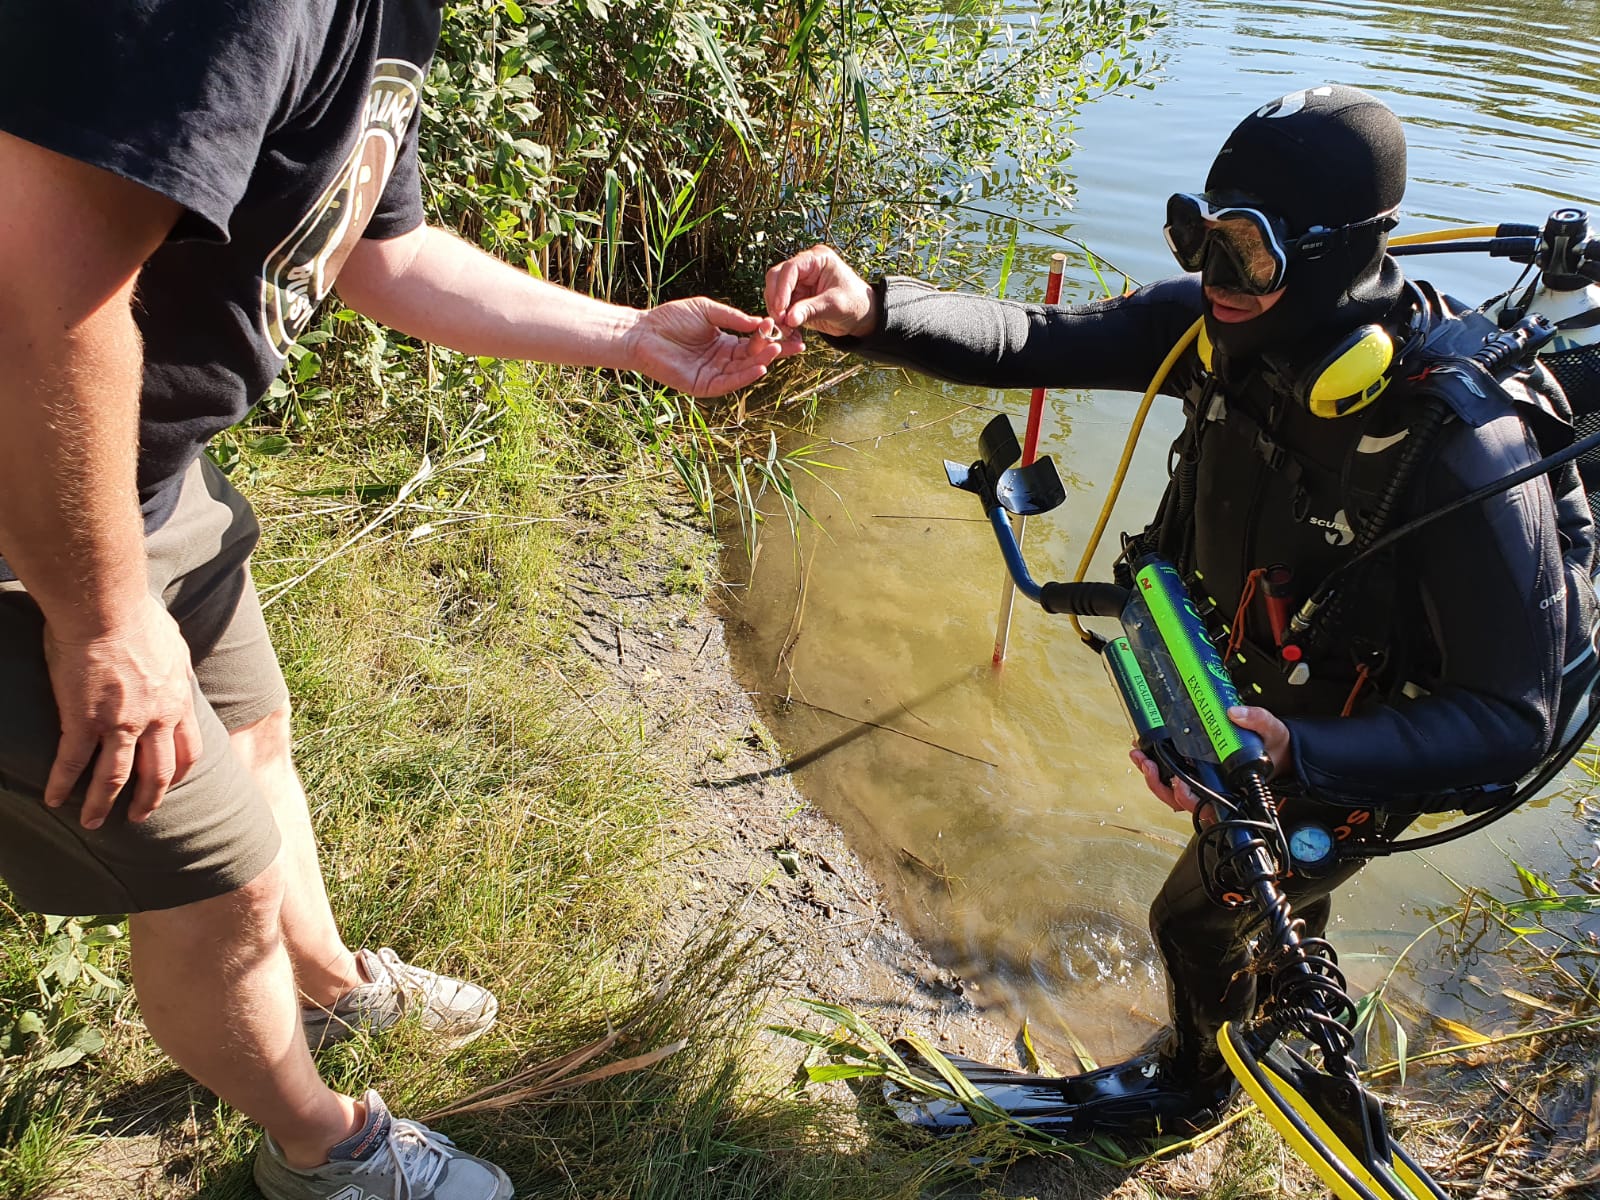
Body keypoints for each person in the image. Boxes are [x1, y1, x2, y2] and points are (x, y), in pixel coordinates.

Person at [0, 3, 796, 1199]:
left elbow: (381, 251)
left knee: (258, 737)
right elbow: (39, 294)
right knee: (222, 877)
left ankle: (328, 987)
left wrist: (632, 334)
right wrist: (105, 617)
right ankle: (323, 1150)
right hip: (38, 502)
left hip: (153, 476)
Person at [764, 84, 1599, 1135]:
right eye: (1195, 233)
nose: (1209, 276)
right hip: (1270, 686)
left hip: (1375, 730)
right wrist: (870, 307)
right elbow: (1033, 338)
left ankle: (1189, 1092)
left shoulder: (1459, 443)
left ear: (1340, 250)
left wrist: (1295, 751)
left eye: (1243, 249)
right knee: (1260, 889)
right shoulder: (1214, 331)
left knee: (1191, 919)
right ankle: (1272, 1004)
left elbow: (1504, 720)